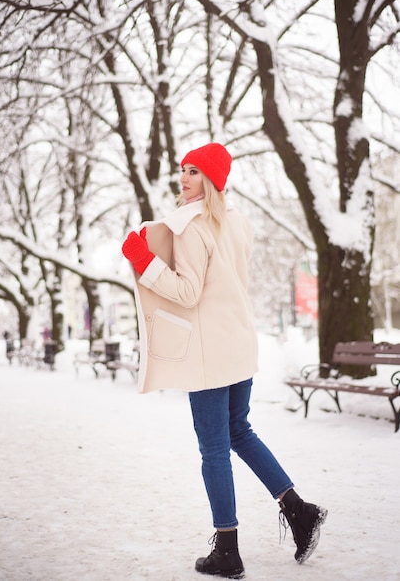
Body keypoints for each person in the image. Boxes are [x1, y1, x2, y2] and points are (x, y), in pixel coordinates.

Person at [121, 143, 327, 578]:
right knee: (239, 432)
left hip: (211, 354)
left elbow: (187, 292)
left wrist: (144, 261)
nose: (184, 178)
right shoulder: (238, 224)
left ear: (212, 180)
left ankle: (227, 550)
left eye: (194, 172)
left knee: (214, 447)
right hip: (238, 343)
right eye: (183, 170)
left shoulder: (191, 226)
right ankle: (299, 510)